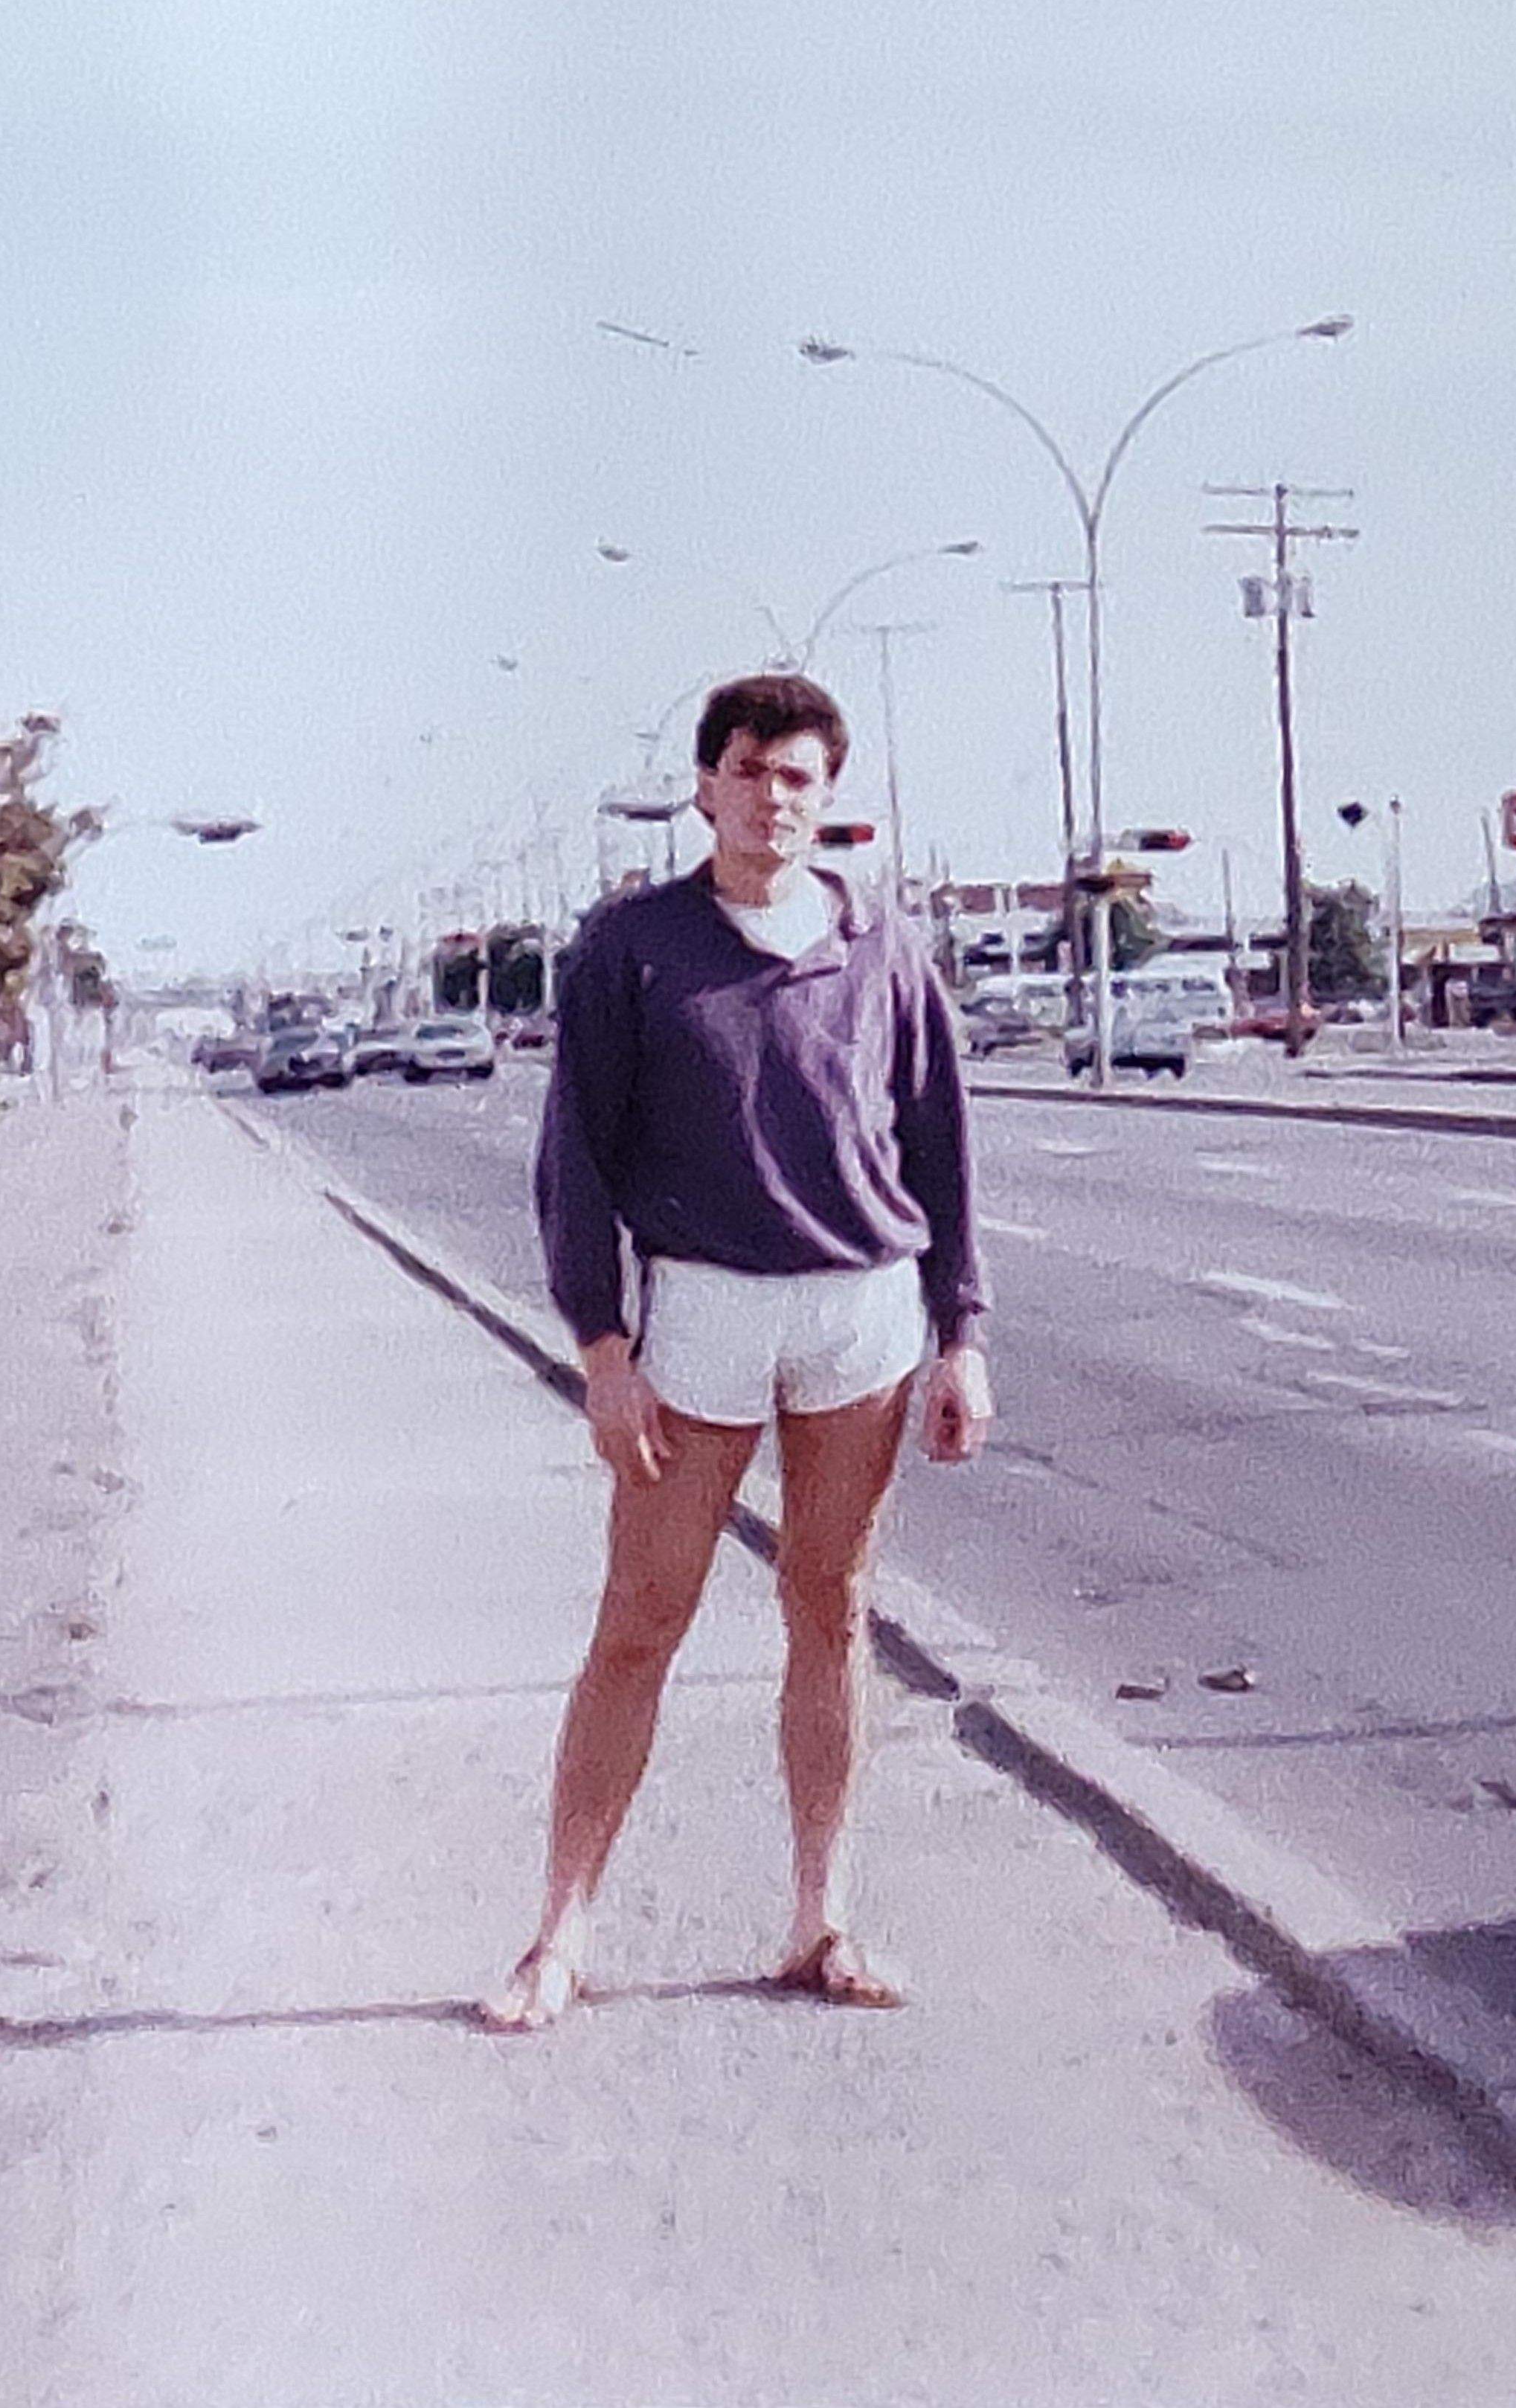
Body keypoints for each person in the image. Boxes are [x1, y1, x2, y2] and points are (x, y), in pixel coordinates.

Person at [488, 671, 990, 2029]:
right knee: (641, 1616)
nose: (775, 798)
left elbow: (939, 1140)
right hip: (699, 1317)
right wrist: (601, 1344)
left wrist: (960, 1332)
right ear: (704, 785)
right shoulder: (632, 947)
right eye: (752, 770)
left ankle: (821, 1918)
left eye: (801, 778)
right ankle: (561, 1931)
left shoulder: (881, 943)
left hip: (861, 1316)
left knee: (832, 1607)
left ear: (829, 801)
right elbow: (574, 1163)